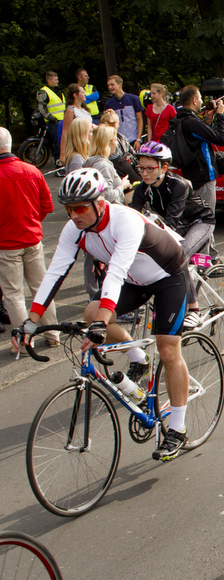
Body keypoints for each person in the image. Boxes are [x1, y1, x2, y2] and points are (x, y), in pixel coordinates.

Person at [23, 169, 193, 461]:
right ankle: (138, 357)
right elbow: (54, 273)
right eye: (68, 209)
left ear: (99, 203)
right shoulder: (73, 229)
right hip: (133, 280)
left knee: (167, 347)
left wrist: (103, 323)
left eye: (79, 208)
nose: (74, 215)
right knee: (91, 312)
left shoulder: (123, 220)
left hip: (167, 276)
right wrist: (30, 321)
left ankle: (177, 428)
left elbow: (114, 273)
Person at [130, 141, 215, 328]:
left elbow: (170, 223)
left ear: (164, 167)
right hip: (177, 225)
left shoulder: (179, 185)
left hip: (199, 222)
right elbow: (131, 217)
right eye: (140, 168)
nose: (144, 173)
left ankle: (194, 310)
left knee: (179, 256)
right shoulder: (142, 188)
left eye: (149, 169)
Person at [0, 127, 59, 353]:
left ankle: (25, 342)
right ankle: (53, 333)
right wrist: (32, 221)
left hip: (6, 243)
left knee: (14, 294)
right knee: (41, 288)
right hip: (32, 237)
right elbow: (47, 206)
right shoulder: (32, 171)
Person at [173, 84, 224, 211]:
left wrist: (207, 122)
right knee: (207, 218)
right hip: (203, 177)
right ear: (194, 100)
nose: (202, 102)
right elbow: (221, 139)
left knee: (197, 217)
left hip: (190, 174)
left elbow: (195, 138)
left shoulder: (180, 119)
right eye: (200, 98)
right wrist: (221, 116)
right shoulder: (193, 122)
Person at [84, 124, 130, 205]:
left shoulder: (96, 162)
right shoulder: (103, 165)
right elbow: (107, 196)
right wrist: (122, 185)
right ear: (108, 142)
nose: (117, 143)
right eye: (115, 140)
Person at [105, 75, 144, 148]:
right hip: (118, 142)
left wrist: (138, 139)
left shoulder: (133, 99)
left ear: (120, 84)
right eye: (108, 85)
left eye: (112, 84)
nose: (110, 87)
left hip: (133, 139)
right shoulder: (109, 104)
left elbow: (140, 120)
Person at [59, 83, 91, 162]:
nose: (85, 94)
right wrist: (63, 154)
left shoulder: (85, 110)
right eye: (82, 92)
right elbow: (65, 132)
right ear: (75, 95)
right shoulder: (70, 110)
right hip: (78, 146)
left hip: (89, 144)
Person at [36, 71, 64, 157]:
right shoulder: (44, 91)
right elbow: (41, 107)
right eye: (55, 80)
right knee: (57, 143)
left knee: (62, 143)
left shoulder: (58, 91)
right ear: (49, 80)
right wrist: (50, 118)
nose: (57, 81)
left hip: (62, 120)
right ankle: (58, 163)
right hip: (54, 122)